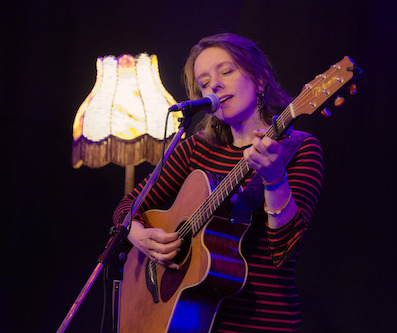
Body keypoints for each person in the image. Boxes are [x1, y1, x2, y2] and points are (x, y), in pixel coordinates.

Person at [113, 33, 324, 332]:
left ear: (260, 79)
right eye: (204, 81)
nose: (215, 84)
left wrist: (275, 179)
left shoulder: (298, 149)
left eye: (226, 71)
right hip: (187, 321)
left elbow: (284, 249)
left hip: (261, 322)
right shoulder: (194, 149)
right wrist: (138, 235)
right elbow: (127, 206)